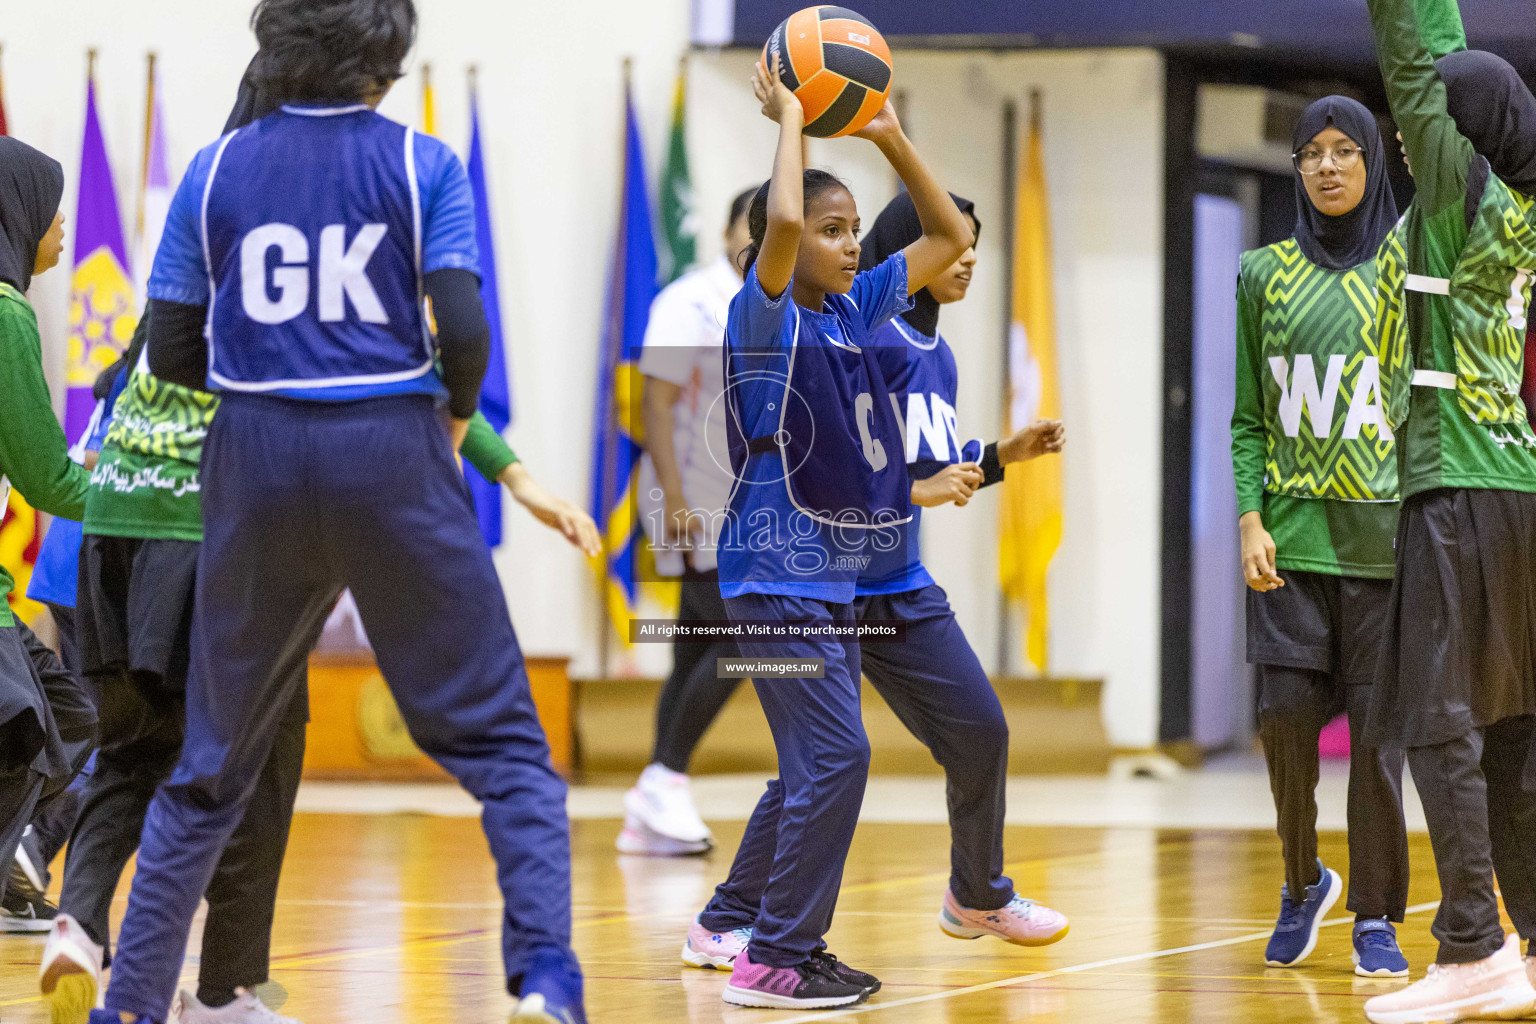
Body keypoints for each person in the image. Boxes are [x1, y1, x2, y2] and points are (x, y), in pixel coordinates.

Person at [82, 1, 588, 1022]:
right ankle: (544, 980)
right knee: (507, 749)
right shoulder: (422, 165)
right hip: (390, 453)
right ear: (390, 55)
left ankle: (128, 1004)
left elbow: (172, 352)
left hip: (255, 459)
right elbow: (464, 325)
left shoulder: (213, 171)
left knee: (209, 766)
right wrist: (449, 417)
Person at [681, 189, 1070, 974]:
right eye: (950, 245)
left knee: (976, 730)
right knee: (818, 763)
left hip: (899, 585)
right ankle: (733, 921)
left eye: (972, 248)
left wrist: (999, 458)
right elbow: (845, 457)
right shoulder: (853, 331)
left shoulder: (940, 353)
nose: (964, 257)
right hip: (829, 578)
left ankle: (976, 893)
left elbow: (925, 464)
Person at [698, 52, 973, 1011]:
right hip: (772, 575)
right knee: (836, 758)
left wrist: (890, 132)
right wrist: (790, 118)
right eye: (832, 230)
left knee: (820, 761)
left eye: (855, 229)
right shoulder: (763, 315)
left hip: (828, 582)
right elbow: (776, 219)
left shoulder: (854, 309)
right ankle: (774, 954)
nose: (850, 245)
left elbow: (947, 233)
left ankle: (752, 931)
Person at [1359, 0, 1536, 1019]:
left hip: (1458, 481)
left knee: (1439, 718)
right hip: (1515, 488)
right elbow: (1451, 78)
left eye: (1417, 129)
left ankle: (1474, 942)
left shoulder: (1460, 197)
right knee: (1513, 729)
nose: (1401, 142)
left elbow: (1422, 63)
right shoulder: (1519, 205)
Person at [1229, 95, 1413, 978]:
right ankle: (1302, 882)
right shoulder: (1261, 274)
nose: (1329, 166)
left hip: (1387, 552)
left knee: (1379, 745)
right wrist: (1249, 517)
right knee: (1284, 722)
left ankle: (1375, 913)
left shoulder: (1410, 273)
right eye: (1313, 153)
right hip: (1289, 547)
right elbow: (1246, 420)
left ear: (1375, 162)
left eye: (1347, 150)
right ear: (1296, 169)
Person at [619, 185, 758, 857]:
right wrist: (673, 498)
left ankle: (654, 796)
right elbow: (656, 402)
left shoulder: (777, 302)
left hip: (748, 503)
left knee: (698, 644)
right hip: (693, 496)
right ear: (729, 229)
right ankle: (663, 776)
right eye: (750, 225)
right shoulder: (689, 302)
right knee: (742, 638)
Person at [0, 135, 97, 931]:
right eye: (48, 206)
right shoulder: (6, 319)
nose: (61, 225)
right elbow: (48, 477)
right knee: (27, 730)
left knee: (68, 717)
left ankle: (6, 878)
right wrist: (135, 503)